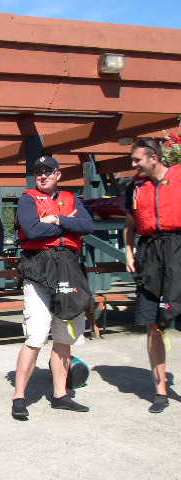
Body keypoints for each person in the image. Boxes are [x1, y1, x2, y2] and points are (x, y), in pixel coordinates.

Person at [12, 155, 94, 420]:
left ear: (58, 174)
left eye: (48, 171)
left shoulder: (72, 199)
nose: (43, 176)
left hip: (68, 269)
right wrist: (69, 225)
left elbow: (88, 225)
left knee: (64, 336)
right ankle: (19, 397)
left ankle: (61, 395)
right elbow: (33, 231)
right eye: (39, 172)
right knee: (36, 335)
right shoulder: (28, 200)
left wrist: (56, 220)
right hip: (38, 269)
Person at [124, 137, 181, 414]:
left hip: (178, 249)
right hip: (149, 254)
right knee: (152, 323)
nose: (133, 164)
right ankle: (160, 391)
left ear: (154, 158)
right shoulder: (134, 187)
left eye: (137, 160)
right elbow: (130, 224)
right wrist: (128, 251)